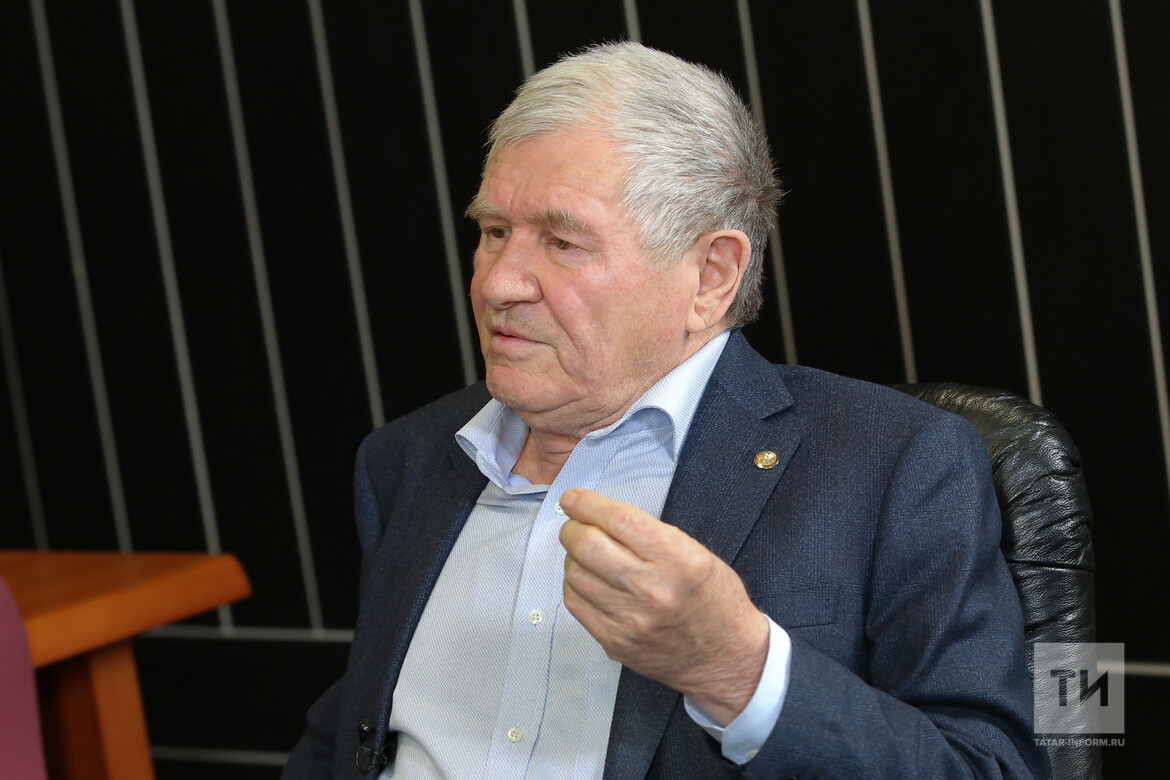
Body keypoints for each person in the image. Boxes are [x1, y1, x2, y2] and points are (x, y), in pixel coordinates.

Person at [284, 42, 1049, 779]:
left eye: (562, 241)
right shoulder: (409, 459)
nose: (498, 283)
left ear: (711, 275)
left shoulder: (892, 465)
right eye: (494, 232)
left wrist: (738, 671)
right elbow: (342, 738)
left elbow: (991, 768)